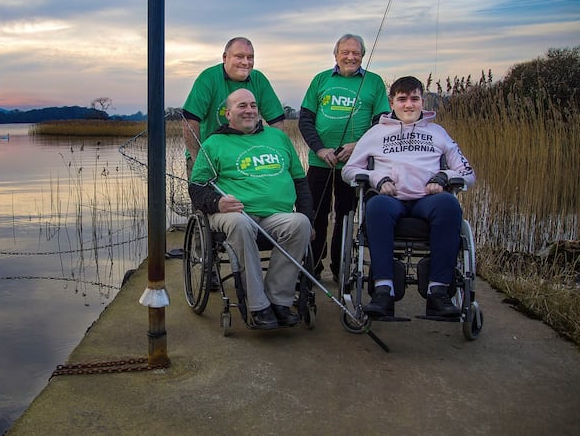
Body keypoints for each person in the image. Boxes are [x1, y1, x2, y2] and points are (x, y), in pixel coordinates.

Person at [341, 76, 476, 318]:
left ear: (422, 101)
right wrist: (377, 178)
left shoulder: (438, 133)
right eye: (402, 99)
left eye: (414, 99)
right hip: (390, 198)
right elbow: (349, 170)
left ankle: (438, 292)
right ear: (392, 102)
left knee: (449, 205)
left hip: (428, 199)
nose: (409, 105)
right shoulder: (376, 133)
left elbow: (467, 173)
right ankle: (383, 290)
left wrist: (443, 177)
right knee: (376, 206)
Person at [189, 88, 315, 330]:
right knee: (241, 223)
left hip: (276, 216)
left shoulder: (278, 138)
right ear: (228, 114)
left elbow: (300, 182)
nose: (249, 110)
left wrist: (308, 216)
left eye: (253, 105)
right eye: (242, 106)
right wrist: (217, 203)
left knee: (300, 223)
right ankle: (258, 305)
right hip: (233, 214)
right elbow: (196, 188)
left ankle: (279, 300)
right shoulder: (213, 143)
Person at [298, 34, 390, 282]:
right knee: (315, 215)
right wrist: (320, 149)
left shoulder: (374, 82)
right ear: (336, 55)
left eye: (356, 53)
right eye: (345, 52)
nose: (350, 57)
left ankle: (341, 269)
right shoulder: (320, 80)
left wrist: (357, 147)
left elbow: (381, 123)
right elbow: (305, 120)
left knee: (345, 216)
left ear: (363, 55)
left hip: (355, 164)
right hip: (320, 162)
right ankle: (312, 269)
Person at [183, 37, 286, 178]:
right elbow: (190, 121)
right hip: (209, 156)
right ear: (225, 58)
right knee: (206, 191)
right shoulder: (208, 78)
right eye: (239, 56)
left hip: (247, 157)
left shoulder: (259, 80)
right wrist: (199, 160)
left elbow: (277, 123)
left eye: (250, 57)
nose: (246, 62)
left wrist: (274, 154)